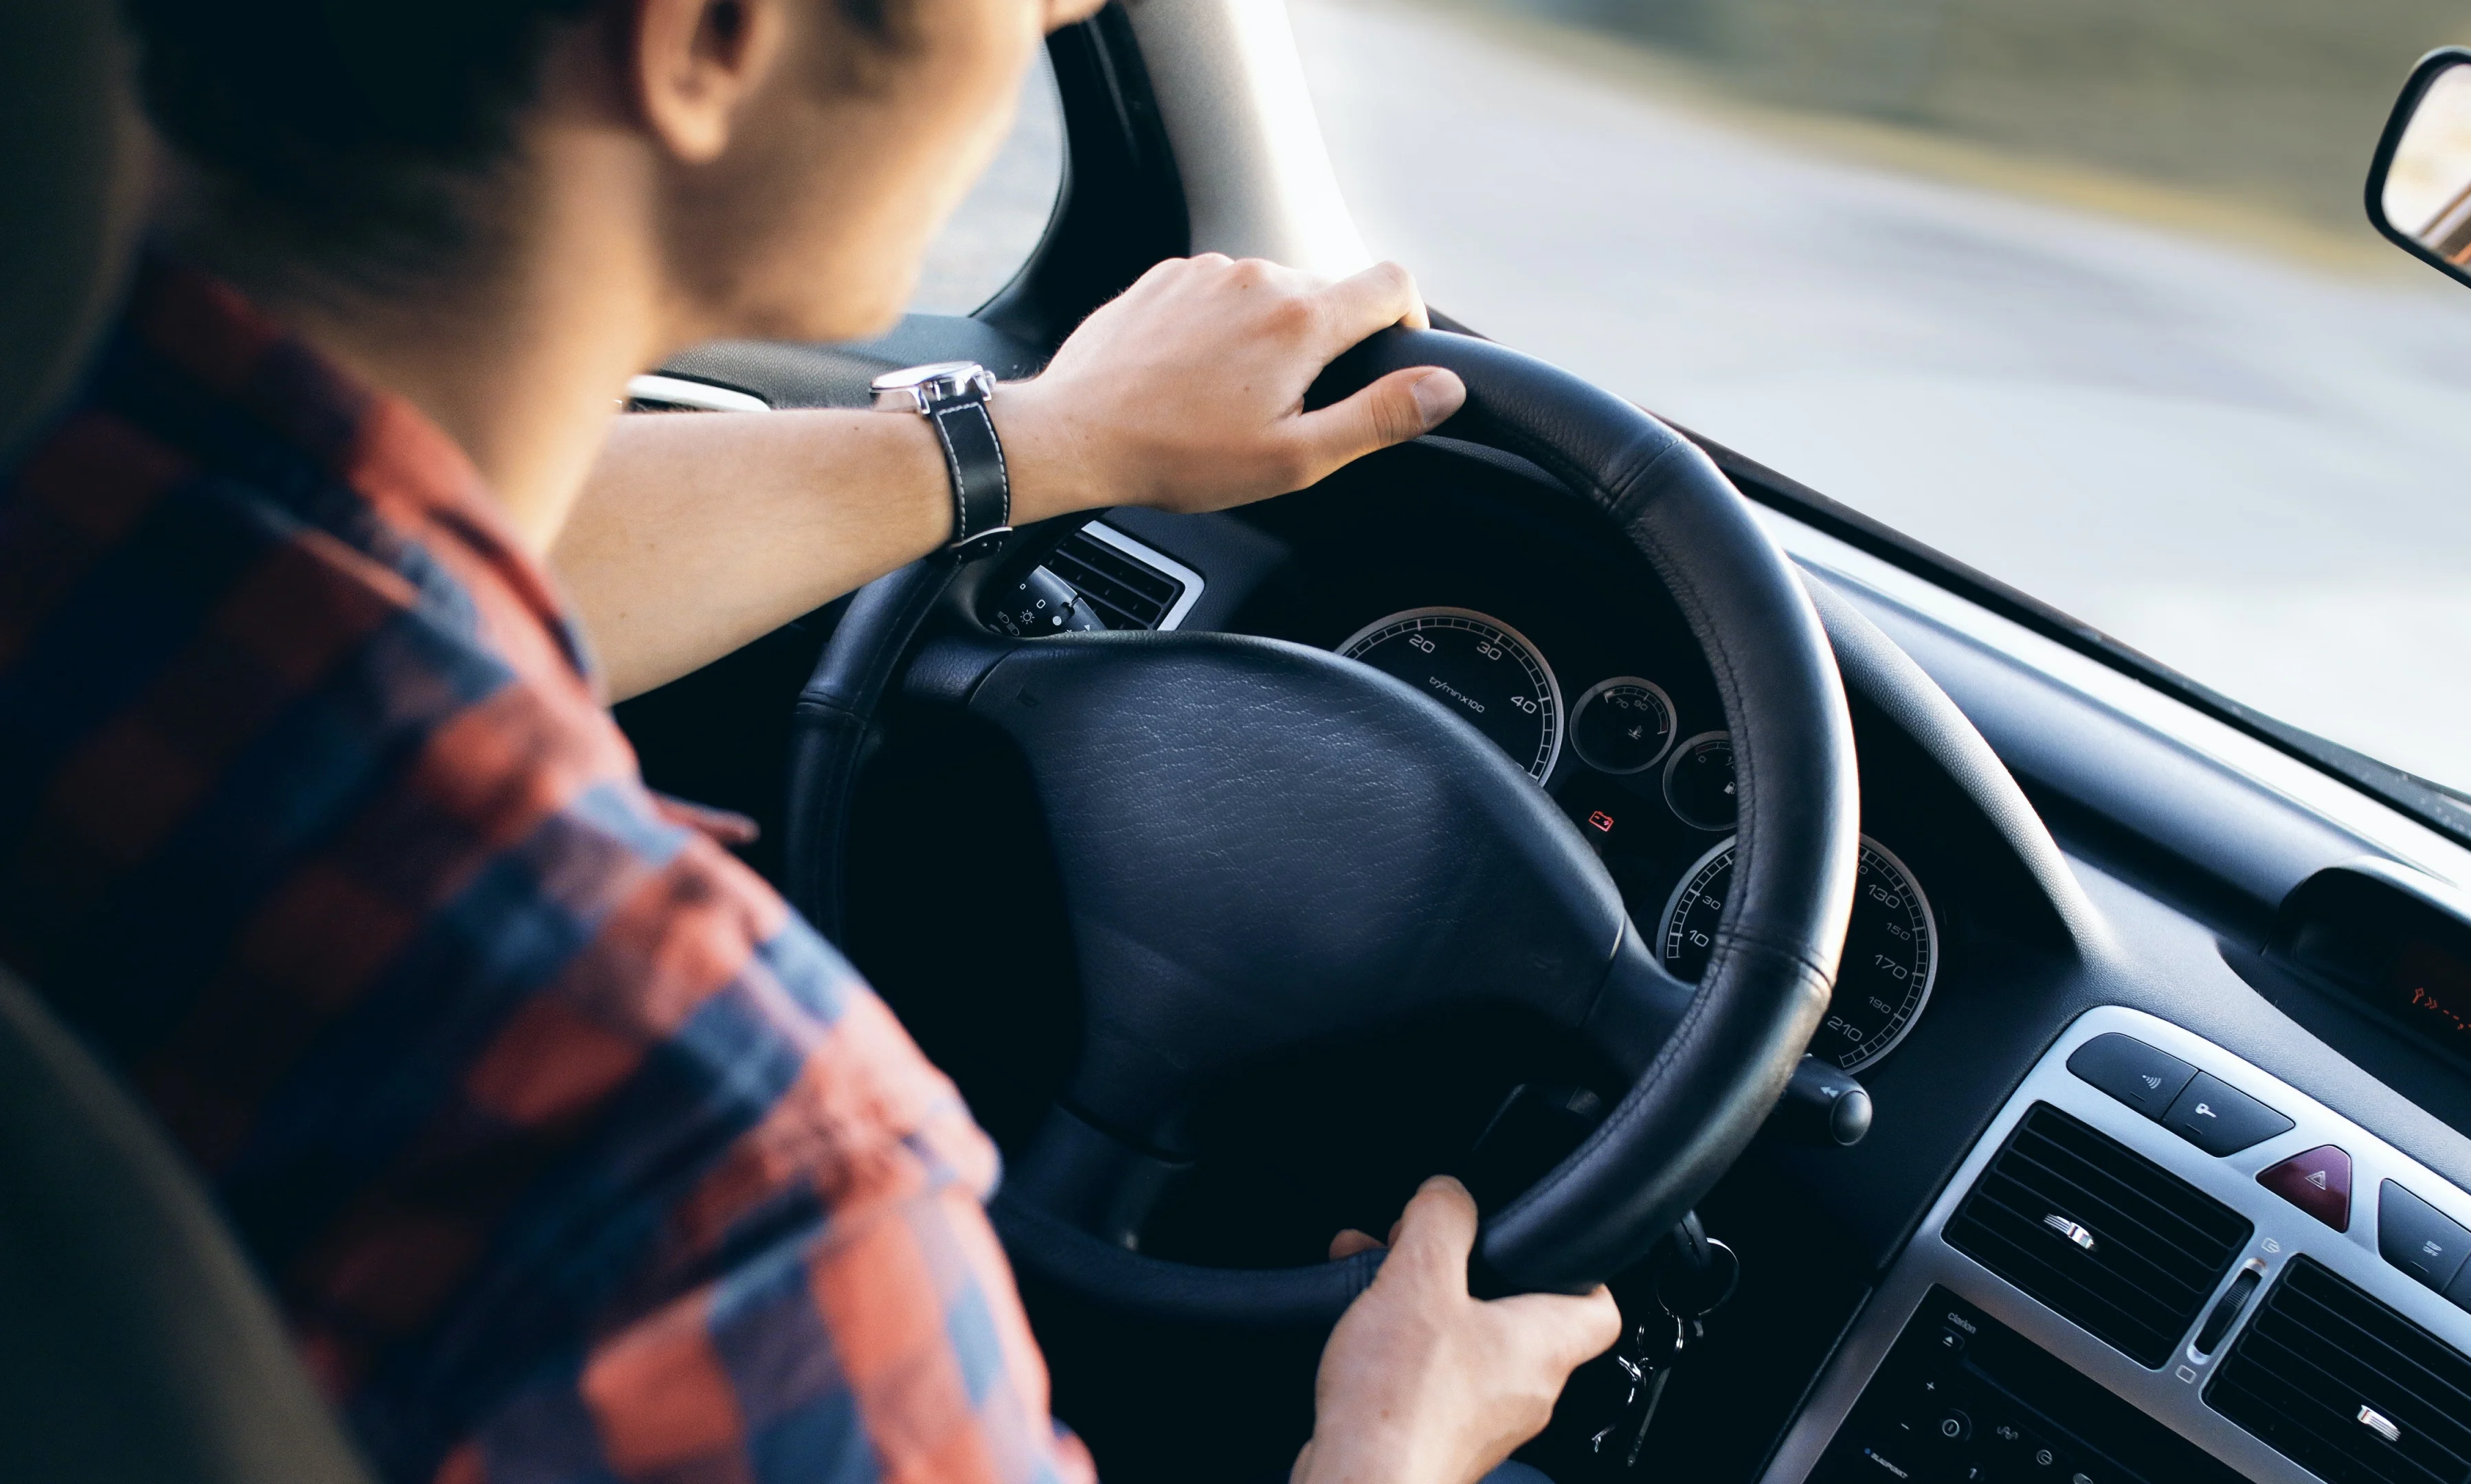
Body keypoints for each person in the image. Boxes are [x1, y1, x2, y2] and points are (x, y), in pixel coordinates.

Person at [0, 0, 1625, 1481]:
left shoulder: (85, 496)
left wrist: (1040, 443)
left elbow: (404, 549)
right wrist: (1392, 1447)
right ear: (707, 39)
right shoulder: (722, 1182)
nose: (1062, 12)